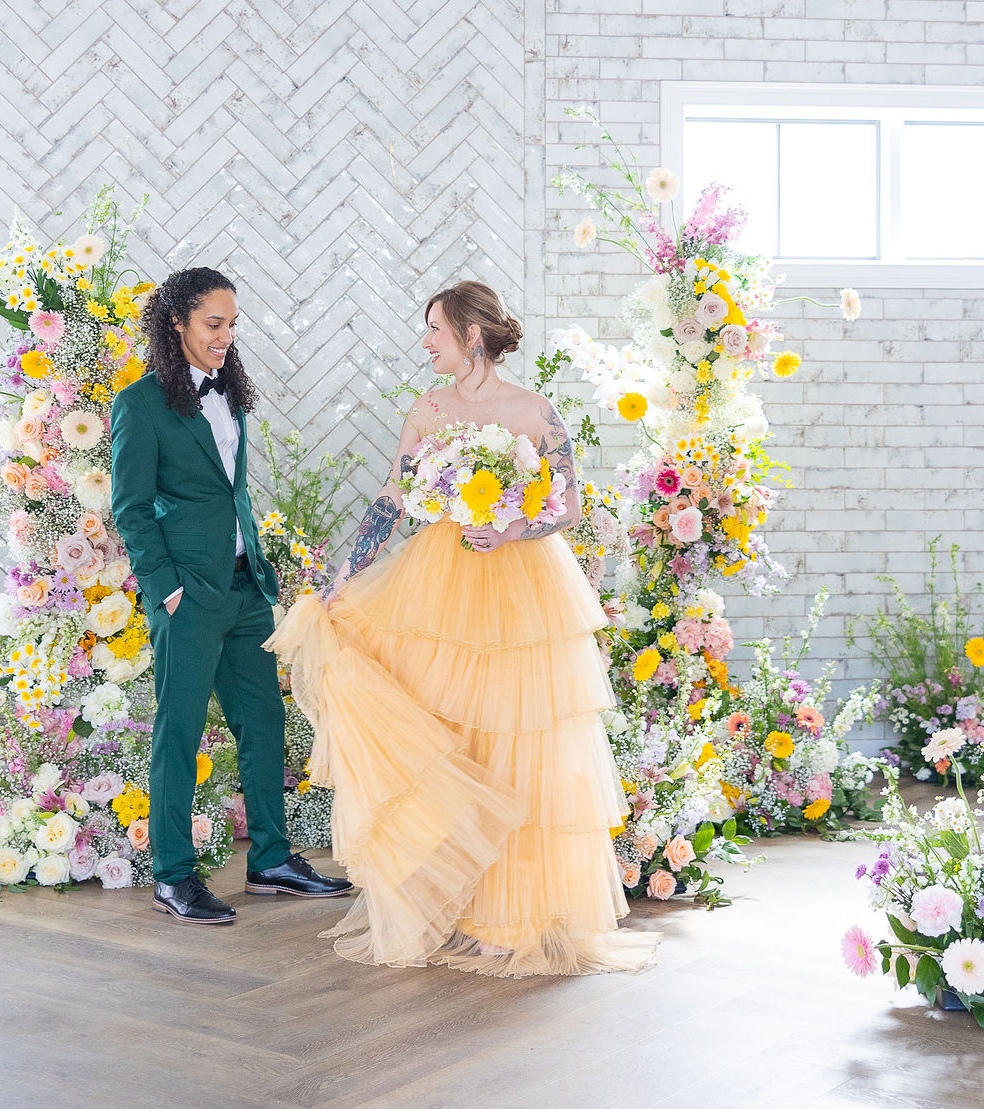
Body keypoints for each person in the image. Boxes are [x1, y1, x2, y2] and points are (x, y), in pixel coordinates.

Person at [266, 280, 657, 976]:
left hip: (520, 583)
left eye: (435, 331)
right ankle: (460, 904)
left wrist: (513, 525)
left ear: (472, 335)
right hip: (438, 583)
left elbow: (566, 506)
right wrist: (344, 574)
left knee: (520, 743)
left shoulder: (536, 411)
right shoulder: (430, 408)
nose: (426, 344)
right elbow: (393, 496)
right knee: (452, 732)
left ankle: (517, 913)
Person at [109, 266, 353, 925]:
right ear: (177, 323)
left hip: (247, 587)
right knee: (179, 732)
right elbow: (130, 510)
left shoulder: (233, 394)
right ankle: (173, 875)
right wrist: (168, 591)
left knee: (263, 723)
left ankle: (272, 858)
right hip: (188, 595)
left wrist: (259, 568)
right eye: (214, 324)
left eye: (232, 324)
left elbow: (231, 492)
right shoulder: (138, 405)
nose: (226, 336)